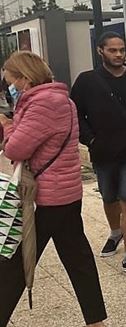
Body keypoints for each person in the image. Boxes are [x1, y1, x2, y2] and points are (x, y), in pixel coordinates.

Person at [0, 51, 107, 326]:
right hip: (65, 194)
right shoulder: (58, 99)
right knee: (78, 259)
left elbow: (16, 149)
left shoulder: (44, 104)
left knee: (14, 262)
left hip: (45, 197)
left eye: (10, 81)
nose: (9, 87)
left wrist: (7, 125)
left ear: (25, 78)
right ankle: (96, 321)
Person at [70, 32, 126, 273]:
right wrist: (91, 139)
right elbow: (75, 113)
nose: (119, 54)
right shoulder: (87, 80)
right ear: (100, 51)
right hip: (102, 150)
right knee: (109, 197)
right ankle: (115, 232)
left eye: (122, 50)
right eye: (113, 50)